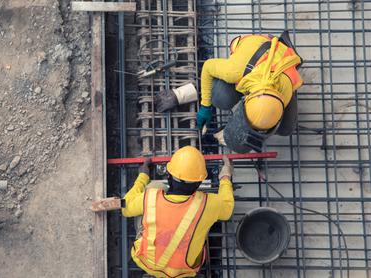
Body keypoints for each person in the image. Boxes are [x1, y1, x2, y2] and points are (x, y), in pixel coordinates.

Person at [122, 146, 234, 278]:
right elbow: (227, 209)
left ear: (169, 177)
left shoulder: (151, 197)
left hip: (146, 262)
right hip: (184, 271)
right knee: (204, 219)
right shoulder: (209, 203)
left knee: (153, 188)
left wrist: (143, 176)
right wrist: (225, 177)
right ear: (198, 184)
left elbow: (126, 208)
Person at [196, 31, 303, 153]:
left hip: (282, 63)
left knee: (287, 128)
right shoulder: (235, 71)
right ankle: (282, 43)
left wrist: (239, 133)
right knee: (220, 99)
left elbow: (265, 116)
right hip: (254, 49)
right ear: (246, 99)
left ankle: (287, 50)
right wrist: (205, 105)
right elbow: (207, 67)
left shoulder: (286, 90)